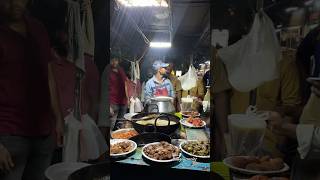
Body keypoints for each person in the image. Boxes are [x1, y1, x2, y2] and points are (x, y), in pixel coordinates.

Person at [0, 0, 62, 179]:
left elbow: (49, 75)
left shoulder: (38, 28)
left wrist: (57, 119)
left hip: (43, 133)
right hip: (8, 134)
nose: (15, 4)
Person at [213, 46, 301, 159]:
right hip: (234, 140)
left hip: (268, 144)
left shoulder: (284, 63)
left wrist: (279, 148)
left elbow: (291, 107)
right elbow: (220, 99)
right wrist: (224, 139)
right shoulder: (230, 61)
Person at [102, 55, 128, 131]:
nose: (114, 62)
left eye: (116, 60)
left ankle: (119, 142)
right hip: (112, 102)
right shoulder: (107, 71)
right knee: (111, 125)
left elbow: (125, 84)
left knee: (120, 126)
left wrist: (127, 99)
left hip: (123, 102)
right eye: (112, 60)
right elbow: (104, 89)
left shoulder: (121, 70)